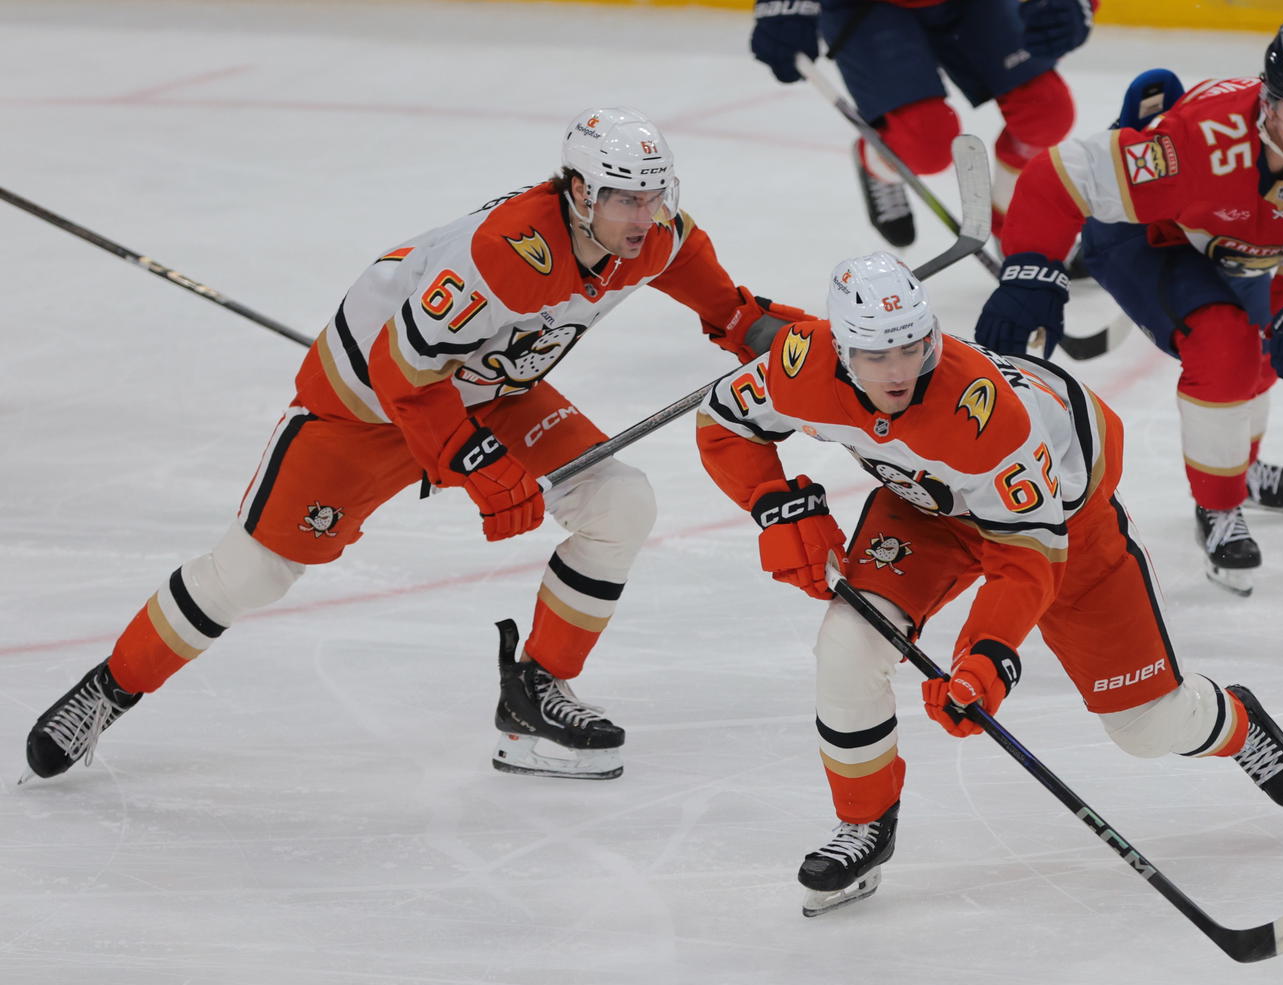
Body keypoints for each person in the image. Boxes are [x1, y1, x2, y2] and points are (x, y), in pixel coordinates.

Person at [24, 107, 805, 784]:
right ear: (576, 191)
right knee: (252, 573)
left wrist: (806, 345)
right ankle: (110, 688)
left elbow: (733, 314)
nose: (642, 218)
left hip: (490, 390)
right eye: (621, 199)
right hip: (364, 407)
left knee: (620, 504)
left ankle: (534, 696)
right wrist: (477, 466)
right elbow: (403, 374)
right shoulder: (505, 253)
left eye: (653, 195)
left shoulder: (660, 238)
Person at [695, 251, 1283, 916]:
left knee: (1146, 727)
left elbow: (1028, 558)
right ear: (841, 348)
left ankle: (1233, 721)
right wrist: (776, 504)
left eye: (912, 345)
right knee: (849, 643)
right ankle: (865, 822)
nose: (898, 371)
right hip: (926, 510)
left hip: (1061, 526)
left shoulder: (984, 416)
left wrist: (986, 658)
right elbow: (724, 421)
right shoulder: (801, 362)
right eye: (876, 355)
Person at [974, 19, 1283, 595]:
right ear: (1268, 102)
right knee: (1226, 345)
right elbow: (1056, 176)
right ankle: (1218, 509)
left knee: (1270, 345)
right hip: (1143, 238)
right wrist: (1032, 271)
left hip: (1230, 249)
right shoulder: (1197, 144)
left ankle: (1237, 468)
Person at [749, 0, 1095, 247]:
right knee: (924, 144)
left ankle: (1017, 231)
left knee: (1045, 111)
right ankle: (877, 158)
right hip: (869, 8)